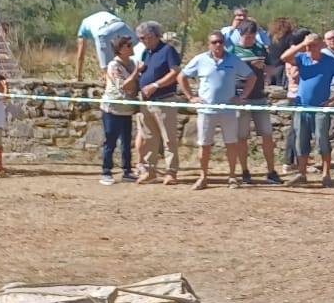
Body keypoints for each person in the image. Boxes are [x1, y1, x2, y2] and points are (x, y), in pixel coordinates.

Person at [180, 30, 250, 189]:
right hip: (206, 110)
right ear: (208, 44)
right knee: (204, 144)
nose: (218, 45)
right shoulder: (200, 59)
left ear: (224, 43)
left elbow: (251, 76)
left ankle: (232, 176)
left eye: (220, 41)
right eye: (214, 42)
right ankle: (203, 177)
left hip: (228, 110)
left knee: (231, 143)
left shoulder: (234, 59)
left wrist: (242, 96)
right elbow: (182, 76)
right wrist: (191, 97)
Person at [282, 32, 334, 185]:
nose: (310, 48)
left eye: (313, 45)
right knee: (300, 140)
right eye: (308, 46)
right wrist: (302, 45)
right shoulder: (302, 58)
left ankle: (326, 174)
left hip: (320, 108)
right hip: (302, 106)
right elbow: (284, 58)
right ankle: (302, 173)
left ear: (321, 45)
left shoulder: (330, 61)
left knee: (322, 140)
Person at [227, 13, 282, 186]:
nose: (250, 40)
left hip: (259, 97)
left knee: (267, 135)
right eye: (247, 37)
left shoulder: (260, 49)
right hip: (240, 99)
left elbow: (273, 70)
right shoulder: (232, 51)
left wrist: (263, 67)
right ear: (241, 35)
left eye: (253, 37)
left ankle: (271, 171)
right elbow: (227, 72)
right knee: (241, 137)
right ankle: (244, 171)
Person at [133, 21, 182, 185]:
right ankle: (150, 170)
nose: (140, 40)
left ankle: (171, 171)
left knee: (168, 138)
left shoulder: (168, 50)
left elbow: (175, 72)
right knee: (149, 137)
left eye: (142, 37)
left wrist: (155, 85)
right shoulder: (146, 53)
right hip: (146, 102)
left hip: (164, 100)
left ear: (152, 35)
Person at [99, 33, 139, 185]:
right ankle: (106, 171)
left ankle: (127, 170)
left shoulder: (132, 63)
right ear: (120, 49)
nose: (131, 48)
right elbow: (123, 85)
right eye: (128, 45)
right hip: (112, 109)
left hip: (126, 109)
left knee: (126, 141)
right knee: (111, 141)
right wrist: (136, 72)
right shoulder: (113, 66)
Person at [75, 7, 134, 78]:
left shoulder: (83, 24)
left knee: (108, 71)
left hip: (103, 31)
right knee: (137, 53)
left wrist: (79, 76)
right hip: (121, 25)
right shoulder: (104, 13)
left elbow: (80, 55)